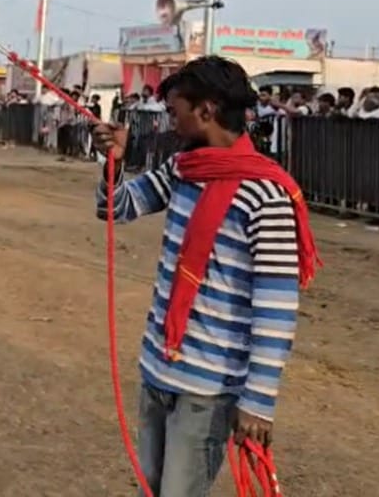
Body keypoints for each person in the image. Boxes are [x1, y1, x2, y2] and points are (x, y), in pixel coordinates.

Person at [91, 56, 317, 497]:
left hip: (208, 388)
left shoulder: (267, 197)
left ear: (206, 110)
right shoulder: (183, 168)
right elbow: (117, 208)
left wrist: (258, 401)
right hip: (158, 369)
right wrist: (113, 163)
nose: (170, 120)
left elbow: (275, 308)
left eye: (175, 110)